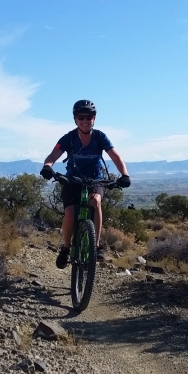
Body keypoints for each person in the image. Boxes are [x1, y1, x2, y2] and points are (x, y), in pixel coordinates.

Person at [40, 100, 131, 268]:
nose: (85, 120)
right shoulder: (69, 138)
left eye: (88, 117)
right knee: (69, 214)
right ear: (75, 119)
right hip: (72, 180)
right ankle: (66, 248)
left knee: (95, 201)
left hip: (96, 180)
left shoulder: (100, 137)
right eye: (81, 117)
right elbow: (53, 155)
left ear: (94, 119)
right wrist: (47, 166)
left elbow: (116, 156)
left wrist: (124, 174)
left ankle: (96, 246)